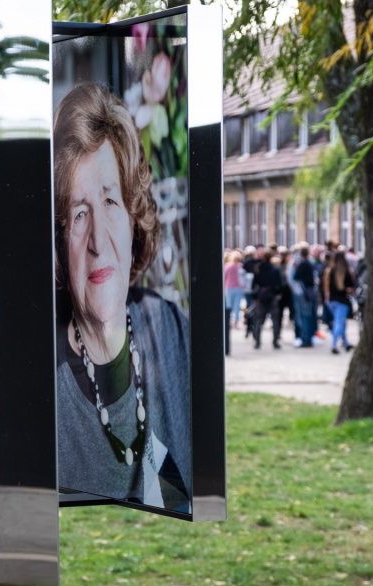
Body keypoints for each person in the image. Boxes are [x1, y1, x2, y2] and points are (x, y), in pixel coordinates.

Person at [53, 82, 191, 511]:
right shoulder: (44, 386)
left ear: (133, 214)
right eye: (78, 213)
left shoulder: (173, 330)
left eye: (110, 201)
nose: (98, 240)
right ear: (58, 239)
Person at [323, 251, 355, 354]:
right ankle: (334, 344)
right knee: (339, 323)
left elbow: (326, 287)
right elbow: (351, 288)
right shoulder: (346, 272)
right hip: (342, 301)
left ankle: (345, 343)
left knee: (340, 323)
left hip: (331, 301)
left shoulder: (330, 271)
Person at [251, 249, 282, 349]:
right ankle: (275, 342)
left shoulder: (258, 268)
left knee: (259, 320)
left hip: (261, 296)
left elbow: (254, 284)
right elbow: (279, 284)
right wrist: (277, 293)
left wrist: (255, 296)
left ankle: (257, 342)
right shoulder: (275, 269)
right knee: (275, 321)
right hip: (272, 296)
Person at [223, 250, 244, 328]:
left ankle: (228, 321)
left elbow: (224, 277)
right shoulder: (241, 266)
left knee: (228, 306)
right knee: (237, 306)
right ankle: (236, 322)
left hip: (228, 288)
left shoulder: (227, 266)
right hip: (239, 288)